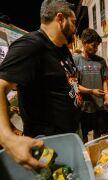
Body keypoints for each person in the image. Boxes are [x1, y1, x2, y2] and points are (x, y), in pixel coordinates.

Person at [0, 0, 81, 169]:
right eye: (73, 22)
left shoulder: (62, 48)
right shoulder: (31, 45)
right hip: (47, 146)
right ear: (60, 19)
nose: (75, 29)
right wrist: (7, 138)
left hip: (68, 137)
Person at [73, 28, 108, 141]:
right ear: (84, 43)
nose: (96, 49)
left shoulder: (101, 61)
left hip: (99, 106)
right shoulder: (76, 61)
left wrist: (107, 95)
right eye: (93, 45)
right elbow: (74, 84)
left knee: (98, 135)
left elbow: (104, 80)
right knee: (83, 136)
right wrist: (91, 91)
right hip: (83, 107)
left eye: (97, 46)